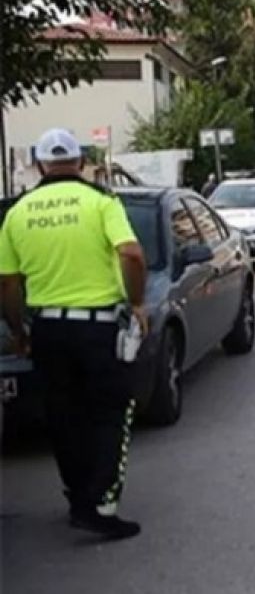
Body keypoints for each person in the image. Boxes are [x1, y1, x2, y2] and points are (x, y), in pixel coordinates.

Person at [0, 128, 149, 541]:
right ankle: (102, 505)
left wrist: (18, 330)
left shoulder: (18, 213)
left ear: (39, 165)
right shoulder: (101, 202)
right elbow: (131, 253)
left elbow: (7, 282)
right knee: (111, 412)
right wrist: (137, 302)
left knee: (63, 416)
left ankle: (78, 500)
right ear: (81, 163)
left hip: (48, 329)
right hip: (98, 328)